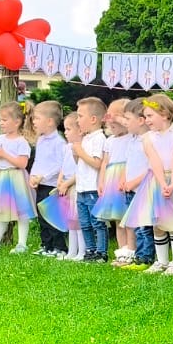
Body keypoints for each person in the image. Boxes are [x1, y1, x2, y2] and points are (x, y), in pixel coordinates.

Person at [123, 94, 173, 275]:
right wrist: (162, 183)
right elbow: (154, 161)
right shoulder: (148, 138)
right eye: (145, 116)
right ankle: (161, 261)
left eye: (150, 115)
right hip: (155, 182)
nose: (147, 120)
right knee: (157, 224)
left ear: (165, 114)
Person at [0, 101, 35, 254]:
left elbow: (22, 163)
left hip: (17, 178)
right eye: (0, 119)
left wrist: (3, 154)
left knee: (22, 212)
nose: (1, 123)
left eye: (4, 120)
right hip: (2, 177)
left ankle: (22, 244)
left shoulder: (22, 142)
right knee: (2, 211)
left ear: (17, 122)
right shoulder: (0, 138)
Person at [116, 99, 156, 269]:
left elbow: (151, 167)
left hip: (143, 190)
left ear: (140, 121)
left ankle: (145, 257)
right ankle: (138, 255)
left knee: (143, 226)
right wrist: (123, 178)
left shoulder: (148, 140)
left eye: (127, 119)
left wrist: (134, 182)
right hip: (130, 190)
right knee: (135, 224)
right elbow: (129, 162)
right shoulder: (133, 139)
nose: (124, 122)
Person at [28, 100, 72, 257]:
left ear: (49, 122)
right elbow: (38, 160)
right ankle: (46, 245)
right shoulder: (40, 140)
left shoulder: (59, 142)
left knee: (52, 216)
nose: (33, 122)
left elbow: (60, 165)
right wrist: (33, 176)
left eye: (37, 118)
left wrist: (44, 176)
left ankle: (59, 247)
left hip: (52, 186)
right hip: (40, 184)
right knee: (41, 216)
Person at [95, 98, 135, 265]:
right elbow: (105, 162)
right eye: (108, 117)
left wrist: (117, 117)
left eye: (114, 117)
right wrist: (101, 181)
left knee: (128, 219)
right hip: (112, 181)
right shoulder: (110, 140)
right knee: (118, 219)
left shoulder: (132, 137)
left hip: (126, 178)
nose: (110, 121)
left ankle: (131, 251)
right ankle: (122, 251)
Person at [72, 97, 109, 262]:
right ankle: (90, 250)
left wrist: (80, 151)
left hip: (93, 187)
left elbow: (96, 163)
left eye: (80, 116)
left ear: (93, 119)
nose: (77, 120)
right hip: (82, 187)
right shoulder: (86, 138)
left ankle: (101, 252)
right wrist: (76, 152)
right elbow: (80, 162)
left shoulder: (99, 138)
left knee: (97, 222)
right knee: (85, 223)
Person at [54, 112, 86, 261]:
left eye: (68, 129)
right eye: (65, 129)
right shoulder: (67, 147)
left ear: (80, 130)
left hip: (75, 186)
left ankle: (82, 251)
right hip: (66, 186)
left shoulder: (82, 147)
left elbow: (80, 170)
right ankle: (72, 251)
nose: (65, 133)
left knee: (78, 221)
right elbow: (63, 166)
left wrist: (67, 183)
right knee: (71, 222)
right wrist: (60, 180)